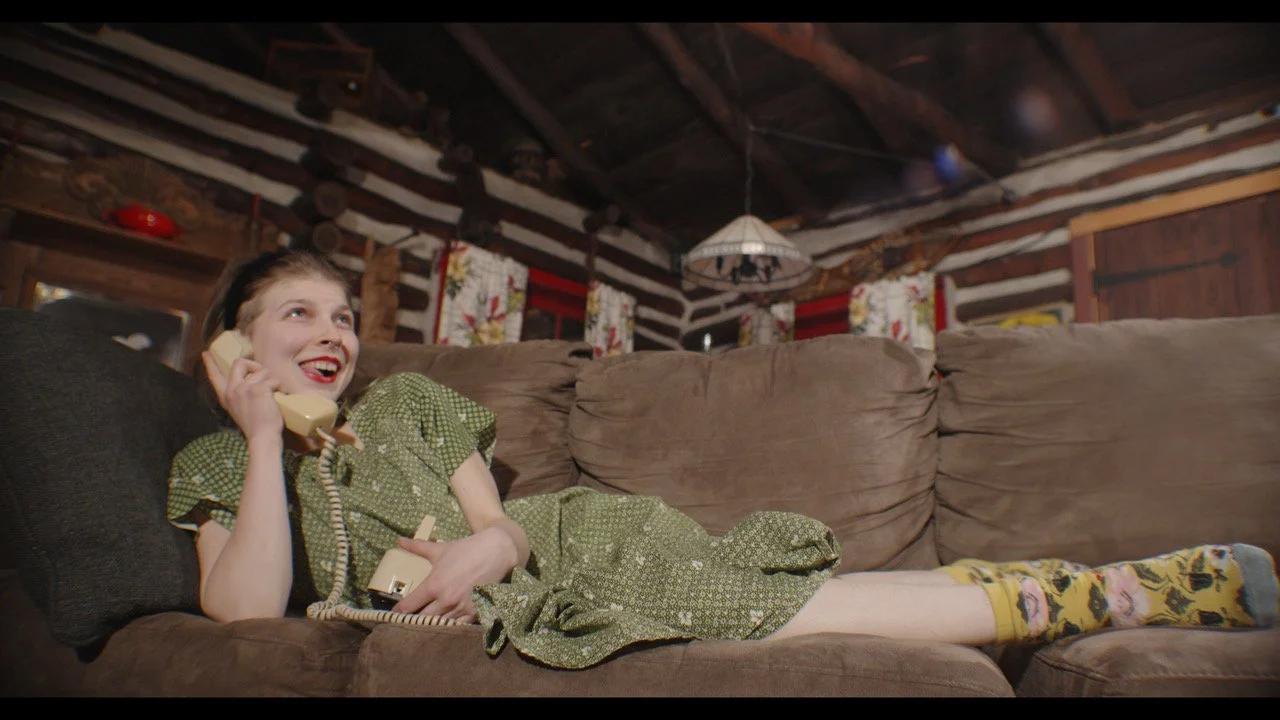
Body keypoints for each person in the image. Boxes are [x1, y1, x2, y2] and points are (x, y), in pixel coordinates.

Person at [167, 248, 1279, 670]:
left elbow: (495, 520)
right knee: (798, 606)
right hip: (429, 563)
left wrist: (487, 551)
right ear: (237, 343)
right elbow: (245, 609)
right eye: (294, 315)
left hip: (558, 550)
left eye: (340, 314)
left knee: (770, 608)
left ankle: (1104, 591)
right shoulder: (222, 466)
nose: (331, 332)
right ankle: (1109, 589)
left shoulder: (408, 400)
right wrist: (265, 441)